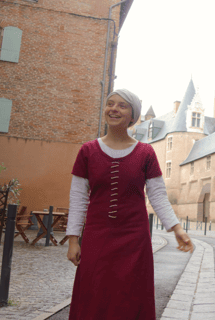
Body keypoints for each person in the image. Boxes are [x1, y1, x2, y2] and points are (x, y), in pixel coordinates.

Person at [66, 89, 194, 320]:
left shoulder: (146, 153)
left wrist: (177, 228)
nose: (114, 109)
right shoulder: (87, 151)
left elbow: (157, 195)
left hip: (134, 239)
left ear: (133, 116)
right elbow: (78, 198)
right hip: (97, 236)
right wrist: (73, 240)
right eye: (110, 104)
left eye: (122, 106)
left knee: (131, 295)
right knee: (93, 293)